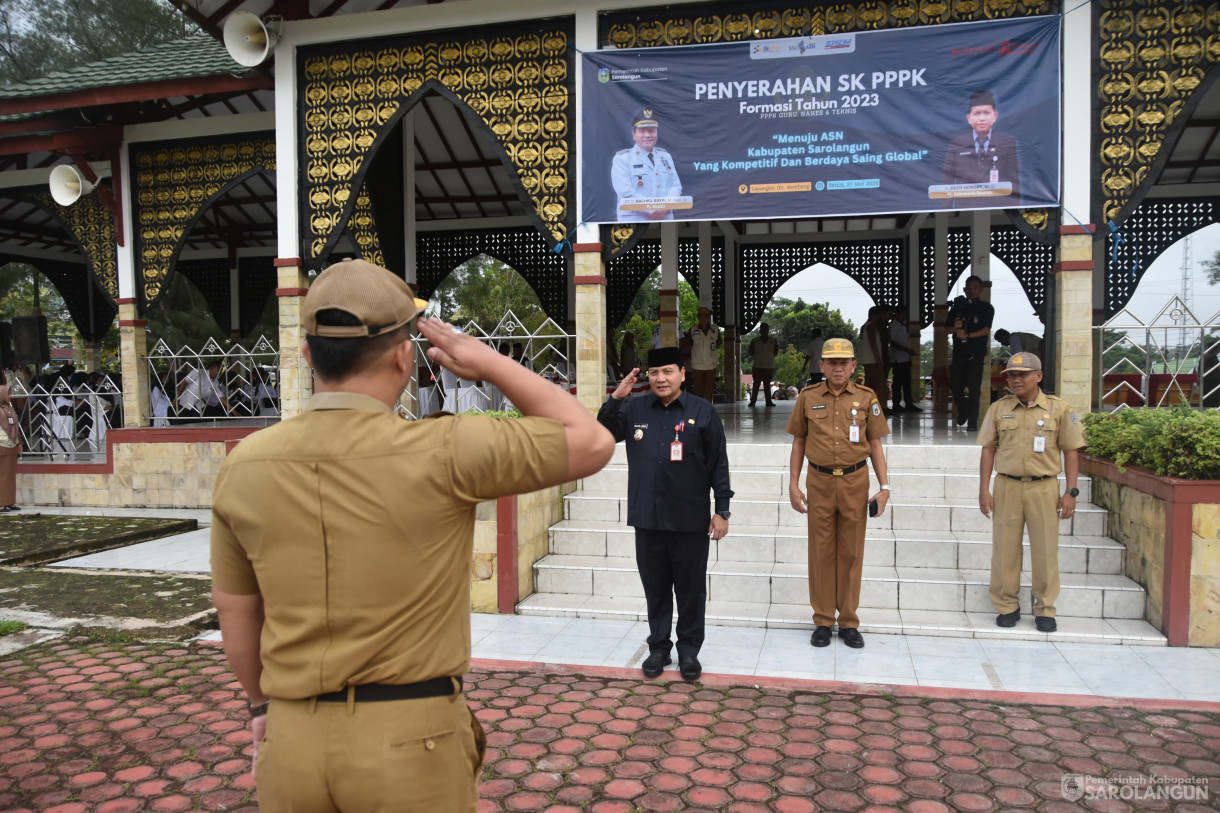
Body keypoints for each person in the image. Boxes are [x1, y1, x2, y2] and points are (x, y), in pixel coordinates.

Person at [210, 258, 614, 813]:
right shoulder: (445, 448)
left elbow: (236, 611)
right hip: (411, 740)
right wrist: (489, 362)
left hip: (292, 739)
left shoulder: (245, 464)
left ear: (307, 357)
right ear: (405, 355)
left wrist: (261, 709)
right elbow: (590, 439)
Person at [597, 346, 732, 682]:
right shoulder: (635, 409)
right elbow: (603, 433)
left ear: (683, 374)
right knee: (655, 589)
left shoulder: (703, 413)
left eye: (668, 371)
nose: (661, 378)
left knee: (690, 589)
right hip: (648, 517)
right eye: (655, 373)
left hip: (689, 518)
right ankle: (658, 647)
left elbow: (719, 463)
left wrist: (723, 510)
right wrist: (616, 397)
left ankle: (688, 651)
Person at [786, 338, 890, 650]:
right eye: (832, 362)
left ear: (854, 366)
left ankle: (847, 621)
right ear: (822, 366)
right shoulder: (807, 397)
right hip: (819, 481)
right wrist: (793, 483)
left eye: (844, 362)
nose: (838, 367)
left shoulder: (866, 397)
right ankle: (821, 619)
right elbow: (799, 442)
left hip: (855, 482)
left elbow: (875, 445)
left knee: (851, 552)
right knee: (821, 552)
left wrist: (884, 488)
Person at [977, 353, 1084, 633]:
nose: (1015, 379)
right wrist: (983, 490)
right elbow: (988, 449)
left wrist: (1071, 491)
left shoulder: (1058, 409)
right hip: (1007, 485)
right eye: (1011, 375)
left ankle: (1045, 608)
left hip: (1045, 487)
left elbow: (1072, 451)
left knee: (1046, 550)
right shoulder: (999, 409)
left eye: (1022, 374)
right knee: (1005, 549)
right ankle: (1007, 605)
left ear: (1038, 376)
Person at [940, 89, 1020, 208]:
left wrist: (1015, 211)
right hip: (965, 211)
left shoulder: (1007, 142)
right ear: (969, 118)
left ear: (995, 116)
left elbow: (1014, 183)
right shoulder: (957, 143)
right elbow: (947, 182)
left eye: (986, 113)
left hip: (999, 211)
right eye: (977, 113)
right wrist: (947, 212)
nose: (982, 118)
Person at [611, 107, 682, 222]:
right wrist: (652, 209)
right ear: (634, 134)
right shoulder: (622, 159)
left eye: (651, 130)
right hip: (635, 220)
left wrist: (664, 208)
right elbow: (625, 192)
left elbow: (676, 187)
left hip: (665, 218)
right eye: (642, 131)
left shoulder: (665, 157)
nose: (647, 135)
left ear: (656, 133)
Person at [948, 275, 994, 431]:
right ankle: (963, 411)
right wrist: (955, 327)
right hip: (959, 353)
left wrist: (968, 335)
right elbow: (946, 329)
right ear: (965, 290)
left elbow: (986, 330)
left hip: (976, 354)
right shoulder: (956, 308)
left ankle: (973, 422)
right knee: (956, 386)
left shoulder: (986, 308)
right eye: (970, 287)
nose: (973, 290)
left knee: (974, 388)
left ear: (980, 289)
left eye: (976, 287)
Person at [858, 305, 891, 414]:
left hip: (868, 360)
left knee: (870, 385)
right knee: (881, 385)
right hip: (872, 360)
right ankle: (883, 408)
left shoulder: (865, 326)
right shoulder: (871, 326)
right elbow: (873, 344)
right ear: (877, 315)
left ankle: (866, 407)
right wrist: (878, 359)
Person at [889, 308, 920, 412]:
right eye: (903, 315)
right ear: (897, 314)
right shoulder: (894, 325)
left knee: (907, 383)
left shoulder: (903, 325)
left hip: (905, 358)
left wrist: (908, 355)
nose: (904, 317)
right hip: (897, 359)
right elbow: (893, 342)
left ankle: (909, 403)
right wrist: (906, 350)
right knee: (898, 383)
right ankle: (896, 404)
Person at [688, 307, 720, 402]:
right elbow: (689, 344)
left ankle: (708, 409)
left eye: (705, 316)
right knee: (698, 390)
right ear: (698, 317)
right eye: (701, 316)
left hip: (711, 364)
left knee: (709, 390)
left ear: (709, 317)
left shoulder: (715, 330)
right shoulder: (693, 330)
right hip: (697, 365)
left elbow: (718, 343)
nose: (703, 318)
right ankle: (700, 410)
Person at [747, 323, 779, 407]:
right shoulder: (755, 341)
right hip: (757, 365)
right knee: (756, 384)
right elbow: (751, 352)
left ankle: (768, 401)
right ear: (760, 330)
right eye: (762, 329)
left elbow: (775, 352)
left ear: (768, 330)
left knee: (767, 385)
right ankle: (753, 401)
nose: (764, 331)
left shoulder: (773, 341)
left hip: (768, 366)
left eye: (766, 329)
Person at [0, 386, 20, 512]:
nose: (10, 396)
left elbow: (15, 427)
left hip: (12, 445)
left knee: (10, 476)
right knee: (2, 475)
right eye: (8, 394)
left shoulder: (9, 408)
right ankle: (1, 503)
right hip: (2, 445)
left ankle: (9, 501)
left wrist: (19, 442)